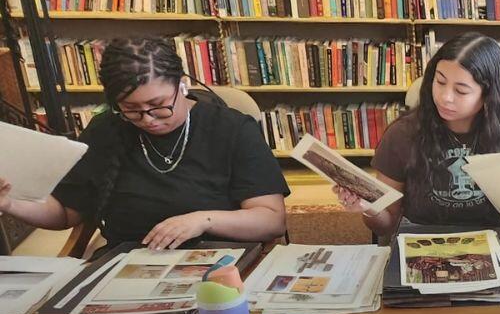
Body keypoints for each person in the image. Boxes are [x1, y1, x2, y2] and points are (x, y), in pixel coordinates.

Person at [0, 38, 289, 252]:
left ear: (181, 86)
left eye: (158, 105)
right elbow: (65, 213)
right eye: (131, 109)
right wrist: (10, 203)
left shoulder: (231, 129)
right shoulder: (105, 131)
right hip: (126, 263)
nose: (148, 119)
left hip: (217, 260)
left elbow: (271, 220)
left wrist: (203, 220)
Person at [333, 32, 500, 240]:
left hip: (491, 241)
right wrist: (368, 207)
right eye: (440, 81)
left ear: (488, 95)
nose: (445, 97)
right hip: (423, 242)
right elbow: (386, 225)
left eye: (461, 91)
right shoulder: (402, 134)